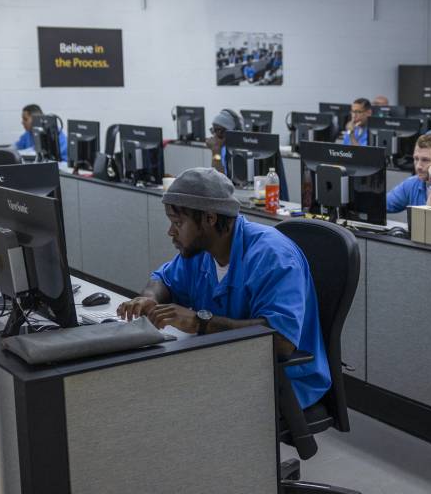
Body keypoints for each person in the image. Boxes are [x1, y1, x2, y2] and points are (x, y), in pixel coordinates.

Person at [117, 168, 330, 409]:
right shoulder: (201, 251)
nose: (171, 231)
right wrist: (149, 298)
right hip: (227, 363)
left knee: (167, 403)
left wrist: (200, 323)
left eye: (178, 223)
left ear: (209, 218)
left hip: (282, 380)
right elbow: (163, 279)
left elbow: (282, 341)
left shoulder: (272, 256)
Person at [386, 133, 431, 213]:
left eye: (425, 160)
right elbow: (381, 205)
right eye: (416, 159)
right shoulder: (412, 183)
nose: (418, 166)